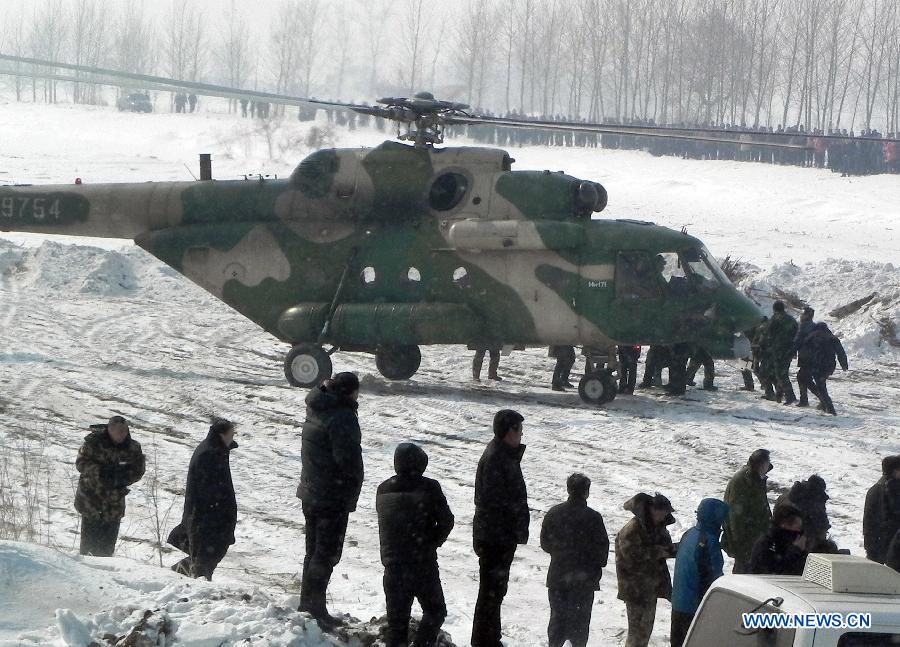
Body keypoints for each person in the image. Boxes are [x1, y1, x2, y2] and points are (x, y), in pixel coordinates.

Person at [296, 372, 364, 627]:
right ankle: (315, 609)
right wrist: (353, 482)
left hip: (312, 490)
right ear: (350, 392)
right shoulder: (342, 416)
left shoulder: (318, 406)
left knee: (313, 552)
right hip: (331, 496)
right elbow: (347, 459)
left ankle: (309, 604)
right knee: (326, 554)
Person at [376, 443, 454, 647]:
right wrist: (431, 543)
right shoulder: (430, 487)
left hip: (392, 565)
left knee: (397, 626)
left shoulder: (382, 489)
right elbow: (446, 521)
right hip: (422, 564)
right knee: (436, 611)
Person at [471, 409, 529, 647]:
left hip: (499, 536)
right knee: (491, 593)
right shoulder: (497, 458)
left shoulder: (504, 455)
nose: (522, 434)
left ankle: (490, 637)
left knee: (495, 591)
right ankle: (484, 640)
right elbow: (496, 503)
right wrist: (514, 525)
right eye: (519, 429)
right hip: (495, 537)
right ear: (508, 432)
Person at [540, 473, 609, 647]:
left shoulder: (554, 513)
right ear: (587, 492)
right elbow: (602, 552)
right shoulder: (593, 518)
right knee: (580, 626)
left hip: (558, 576)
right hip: (584, 581)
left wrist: (562, 554)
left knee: (557, 621)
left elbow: (545, 543)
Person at [168, 419, 238, 580]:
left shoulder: (216, 450)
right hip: (207, 520)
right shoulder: (209, 454)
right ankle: (186, 584)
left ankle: (174, 578)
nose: (233, 437)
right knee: (204, 560)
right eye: (231, 434)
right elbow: (207, 491)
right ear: (222, 434)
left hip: (212, 518)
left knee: (204, 558)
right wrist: (218, 513)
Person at [74, 416, 146, 556]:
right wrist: (101, 473)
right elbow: (81, 463)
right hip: (91, 502)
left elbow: (139, 470)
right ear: (110, 430)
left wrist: (122, 476)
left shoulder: (133, 447)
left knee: (106, 551)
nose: (123, 434)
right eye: (119, 431)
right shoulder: (93, 443)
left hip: (114, 504)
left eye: (125, 431)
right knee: (88, 549)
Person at [615, 492, 677, 647]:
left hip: (650, 586)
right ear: (653, 510)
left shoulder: (656, 527)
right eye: (662, 514)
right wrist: (657, 552)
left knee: (645, 631)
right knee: (636, 634)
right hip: (635, 588)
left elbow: (664, 546)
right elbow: (629, 555)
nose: (663, 517)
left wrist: (673, 550)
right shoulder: (632, 528)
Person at [670, 498, 729, 647]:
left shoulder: (689, 534)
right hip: (695, 606)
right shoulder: (709, 541)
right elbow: (713, 577)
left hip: (678, 602)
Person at [722, 449, 773, 573]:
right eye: (767, 462)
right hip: (745, 539)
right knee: (742, 573)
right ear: (761, 464)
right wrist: (739, 542)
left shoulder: (757, 478)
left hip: (754, 537)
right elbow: (735, 515)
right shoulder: (742, 480)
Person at [774, 475, 835, 552]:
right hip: (805, 544)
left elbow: (776, 516)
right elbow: (822, 526)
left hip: (780, 539)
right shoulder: (816, 503)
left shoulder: (785, 497)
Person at [749, 503, 808, 575]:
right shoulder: (767, 544)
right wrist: (795, 551)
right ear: (784, 524)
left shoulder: (797, 540)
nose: (799, 530)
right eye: (796, 526)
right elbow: (776, 569)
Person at [804, 322, 848, 415]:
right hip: (829, 366)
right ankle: (824, 404)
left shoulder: (813, 336)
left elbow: (805, 349)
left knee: (820, 386)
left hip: (817, 365)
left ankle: (830, 409)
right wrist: (844, 365)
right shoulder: (833, 338)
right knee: (821, 384)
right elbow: (841, 352)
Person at [863, 456, 900, 564]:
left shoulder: (875, 488)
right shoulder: (892, 489)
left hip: (875, 543)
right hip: (888, 544)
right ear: (895, 471)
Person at [762, 301, 798, 404]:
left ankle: (790, 396)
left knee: (780, 374)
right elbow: (797, 334)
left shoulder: (775, 319)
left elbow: (767, 333)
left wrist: (764, 346)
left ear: (774, 309)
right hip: (789, 350)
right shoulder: (792, 320)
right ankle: (779, 396)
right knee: (783, 372)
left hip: (778, 350)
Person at [792, 307, 816, 406]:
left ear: (807, 316)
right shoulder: (814, 326)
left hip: (806, 356)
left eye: (803, 314)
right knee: (804, 377)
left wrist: (792, 352)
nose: (801, 316)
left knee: (803, 377)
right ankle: (804, 399)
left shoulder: (803, 326)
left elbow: (797, 341)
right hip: (814, 356)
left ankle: (822, 399)